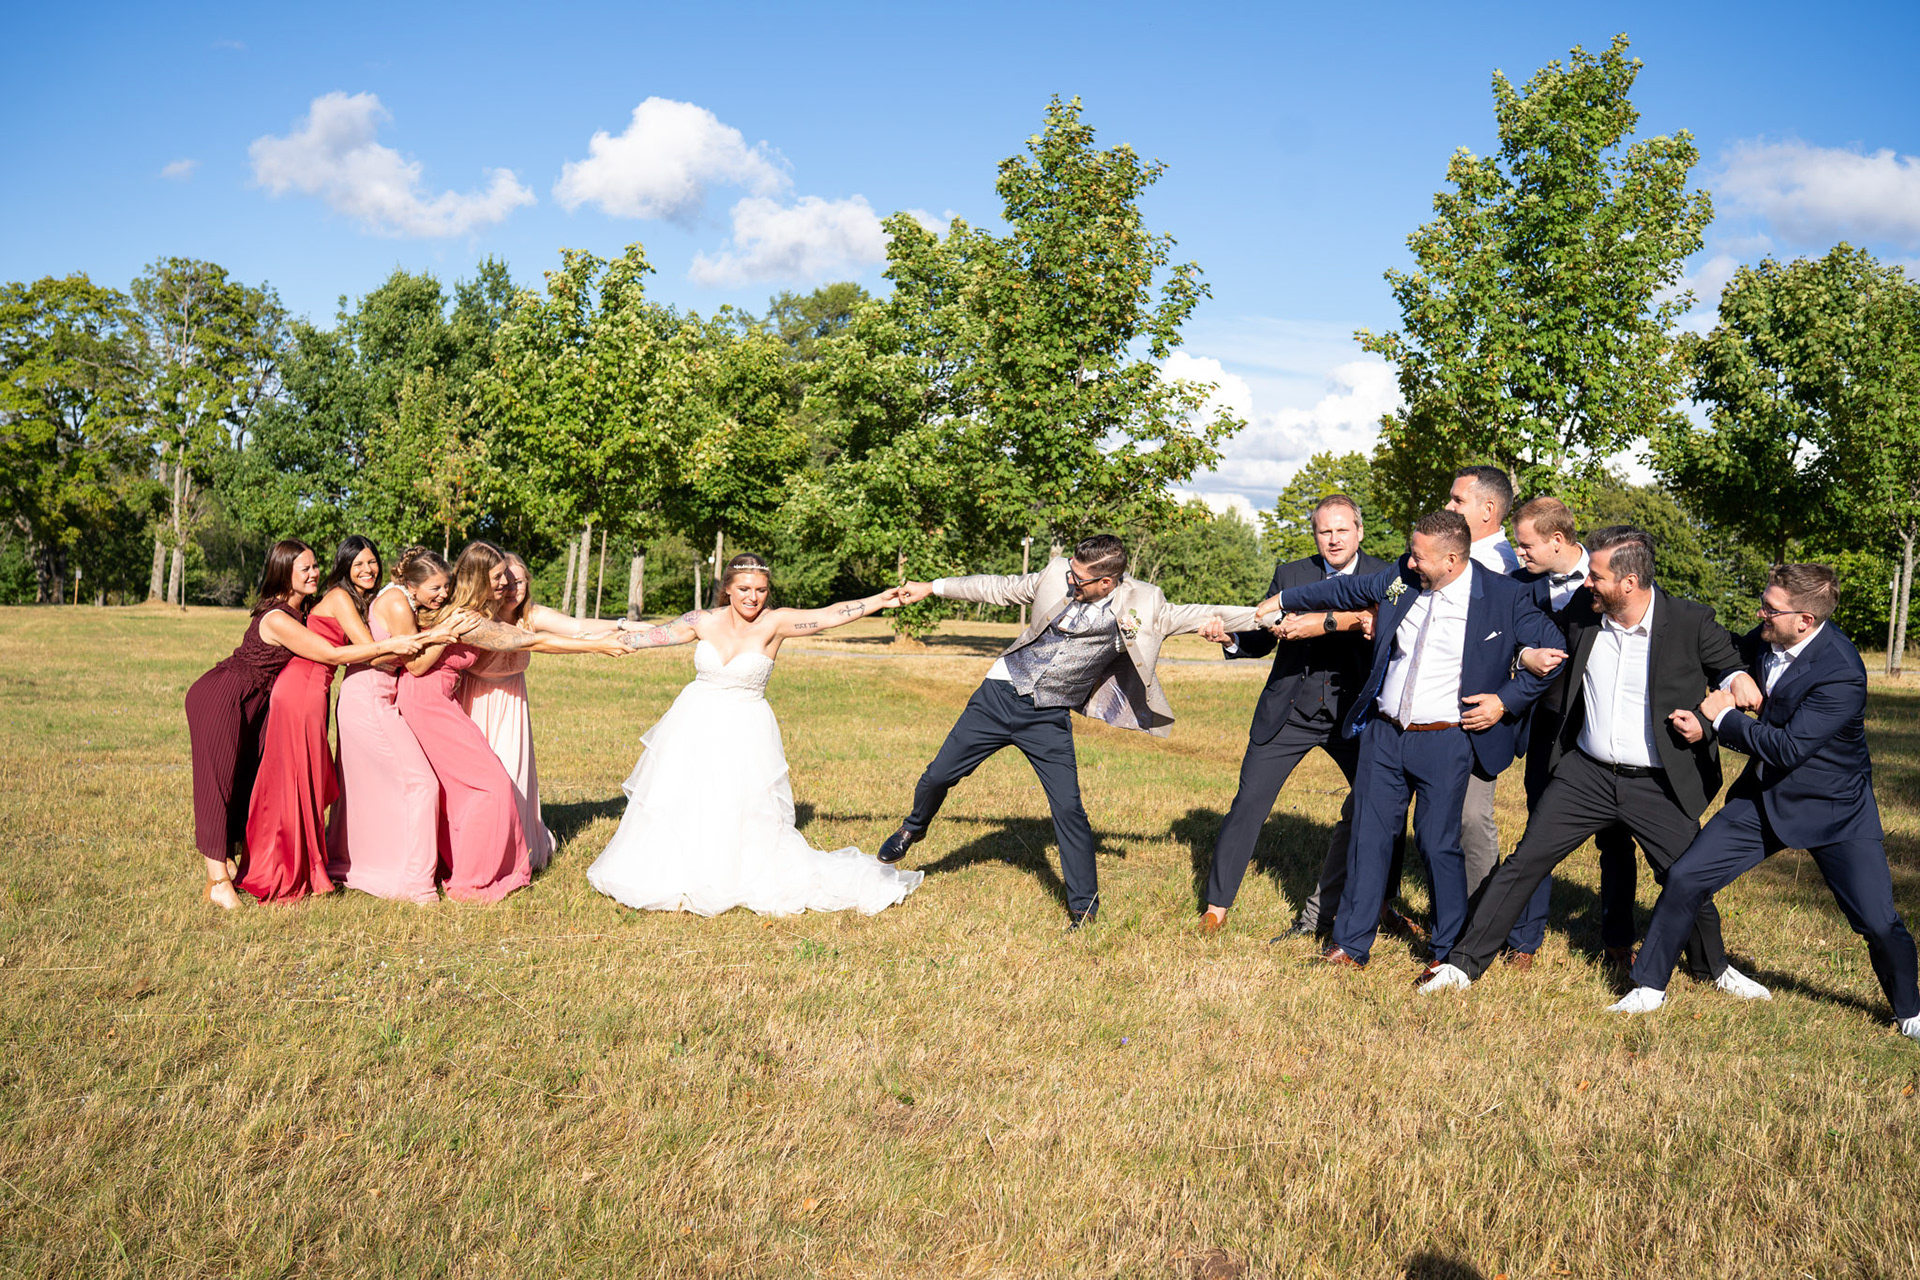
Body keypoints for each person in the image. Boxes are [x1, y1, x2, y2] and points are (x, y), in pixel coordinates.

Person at [1417, 526, 1770, 999]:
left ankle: (1714, 968)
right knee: (1525, 863)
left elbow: (1728, 663)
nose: (1586, 583)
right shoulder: (1585, 611)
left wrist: (1734, 681)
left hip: (1657, 782)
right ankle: (1462, 964)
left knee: (1685, 877)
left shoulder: (1690, 620)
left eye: (1596, 576)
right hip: (1585, 775)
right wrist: (1527, 656)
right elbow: (1537, 640)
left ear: (1629, 583)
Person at [1606, 564, 1920, 1041]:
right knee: (1686, 877)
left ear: (1805, 621)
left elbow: (1788, 748)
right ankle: (1649, 987)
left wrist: (1720, 717)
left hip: (1834, 809)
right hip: (1764, 799)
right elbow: (1726, 654)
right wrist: (1730, 677)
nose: (1761, 615)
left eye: (1771, 610)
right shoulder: (1769, 636)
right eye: (1763, 604)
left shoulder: (1842, 673)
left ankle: (1910, 1011)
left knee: (1878, 922)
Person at [881, 535, 1260, 930]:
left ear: (1107, 582)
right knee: (938, 775)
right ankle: (913, 828)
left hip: (1049, 714)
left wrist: (1276, 612)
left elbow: (1206, 612)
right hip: (998, 695)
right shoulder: (1055, 575)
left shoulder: (1146, 603)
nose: (1070, 580)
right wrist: (932, 587)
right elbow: (997, 587)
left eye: (1080, 578)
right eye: (1071, 572)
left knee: (1068, 809)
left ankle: (1084, 908)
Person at [1256, 510, 1563, 967]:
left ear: (1452, 560)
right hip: (1384, 732)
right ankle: (1350, 944)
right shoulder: (1401, 577)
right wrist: (1285, 598)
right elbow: (1344, 590)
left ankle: (1446, 949)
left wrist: (1505, 701)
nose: (1410, 562)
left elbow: (1554, 653)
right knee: (1368, 837)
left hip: (1446, 739)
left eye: (1420, 556)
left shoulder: (1504, 596)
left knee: (1437, 844)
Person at [586, 554, 924, 917]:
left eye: (761, 590)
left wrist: (879, 600)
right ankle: (674, 867)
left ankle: (728, 871)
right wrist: (591, 639)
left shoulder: (775, 623)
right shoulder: (701, 621)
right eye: (745, 589)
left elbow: (830, 615)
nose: (753, 597)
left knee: (738, 802)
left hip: (745, 727)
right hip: (693, 721)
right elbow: (652, 636)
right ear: (728, 589)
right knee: (681, 793)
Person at [1192, 494, 1400, 937]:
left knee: (1381, 805)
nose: (1334, 539)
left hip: (1355, 717)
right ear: (1315, 535)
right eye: (1325, 531)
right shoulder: (1290, 574)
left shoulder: (1387, 576)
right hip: (1289, 713)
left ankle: (1384, 903)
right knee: (1248, 803)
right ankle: (1216, 907)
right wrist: (1230, 639)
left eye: (1342, 530)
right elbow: (1262, 637)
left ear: (1359, 532)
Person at [185, 540, 423, 908]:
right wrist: (393, 647)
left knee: (247, 777)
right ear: (285, 573)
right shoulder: (277, 617)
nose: (314, 573)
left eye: (315, 566)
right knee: (217, 782)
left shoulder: (304, 609)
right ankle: (217, 880)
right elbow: (331, 653)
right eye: (305, 569)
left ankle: (238, 860)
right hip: (224, 695)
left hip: (260, 701)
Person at [401, 541, 625, 903]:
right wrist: (596, 646)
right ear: (478, 578)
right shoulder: (470, 620)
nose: (505, 583)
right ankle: (473, 879)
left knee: (470, 787)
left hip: (441, 699)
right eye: (497, 577)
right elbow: (531, 642)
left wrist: (600, 636)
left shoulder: (472, 612)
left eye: (505, 576)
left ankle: (462, 862)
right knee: (492, 785)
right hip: (428, 703)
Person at [1507, 496, 1635, 967]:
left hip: (1606, 724)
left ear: (1557, 540)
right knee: (1539, 829)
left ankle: (1618, 940)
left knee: (1616, 838)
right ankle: (1524, 940)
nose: (1518, 553)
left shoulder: (1611, 576)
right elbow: (1502, 641)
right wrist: (1523, 656)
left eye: (1525, 545)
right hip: (1547, 723)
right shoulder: (1517, 585)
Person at [458, 553, 620, 871]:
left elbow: (577, 626)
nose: (512, 588)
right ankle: (473, 849)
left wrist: (624, 625)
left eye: (519, 581)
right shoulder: (480, 616)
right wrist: (598, 646)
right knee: (478, 777)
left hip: (511, 703)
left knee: (511, 772)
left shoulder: (530, 615)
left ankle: (514, 850)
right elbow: (540, 643)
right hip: (474, 699)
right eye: (505, 580)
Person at [328, 546, 457, 903]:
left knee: (373, 786)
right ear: (413, 586)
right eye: (436, 587)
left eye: (446, 586)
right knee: (422, 784)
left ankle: (358, 860)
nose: (443, 593)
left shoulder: (398, 597)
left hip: (371, 695)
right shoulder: (399, 604)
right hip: (370, 699)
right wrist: (445, 634)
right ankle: (417, 882)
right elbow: (416, 665)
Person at [1443, 466, 1526, 929]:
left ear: (1488, 510)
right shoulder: (1441, 553)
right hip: (1424, 710)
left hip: (1475, 716)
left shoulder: (1508, 572)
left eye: (1458, 501)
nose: (1448, 507)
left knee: (1471, 818)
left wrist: (1502, 702)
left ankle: (1482, 924)